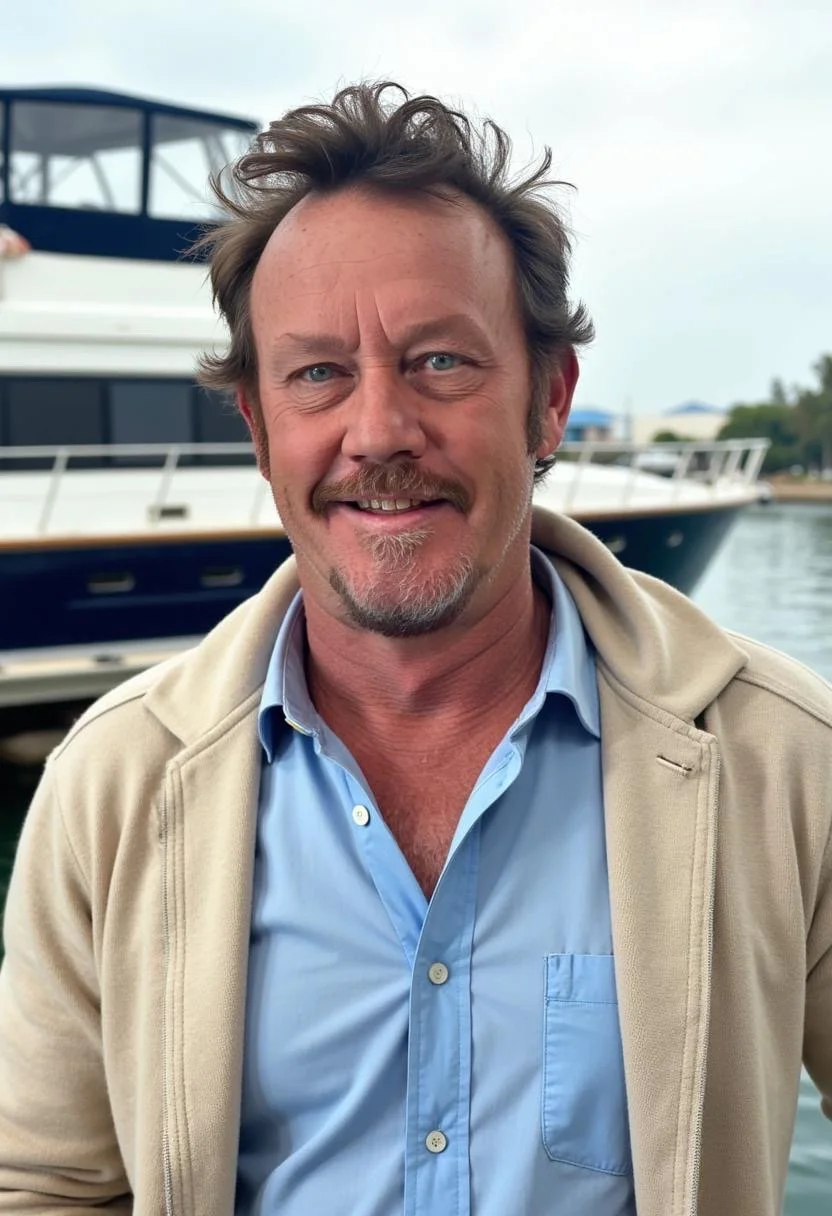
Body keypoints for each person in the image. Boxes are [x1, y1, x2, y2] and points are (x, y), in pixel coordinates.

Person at [0, 81, 829, 1216]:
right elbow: (40, 1186)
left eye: (440, 361)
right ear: (256, 425)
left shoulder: (782, 761)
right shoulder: (112, 784)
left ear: (548, 399)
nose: (379, 430)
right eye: (317, 373)